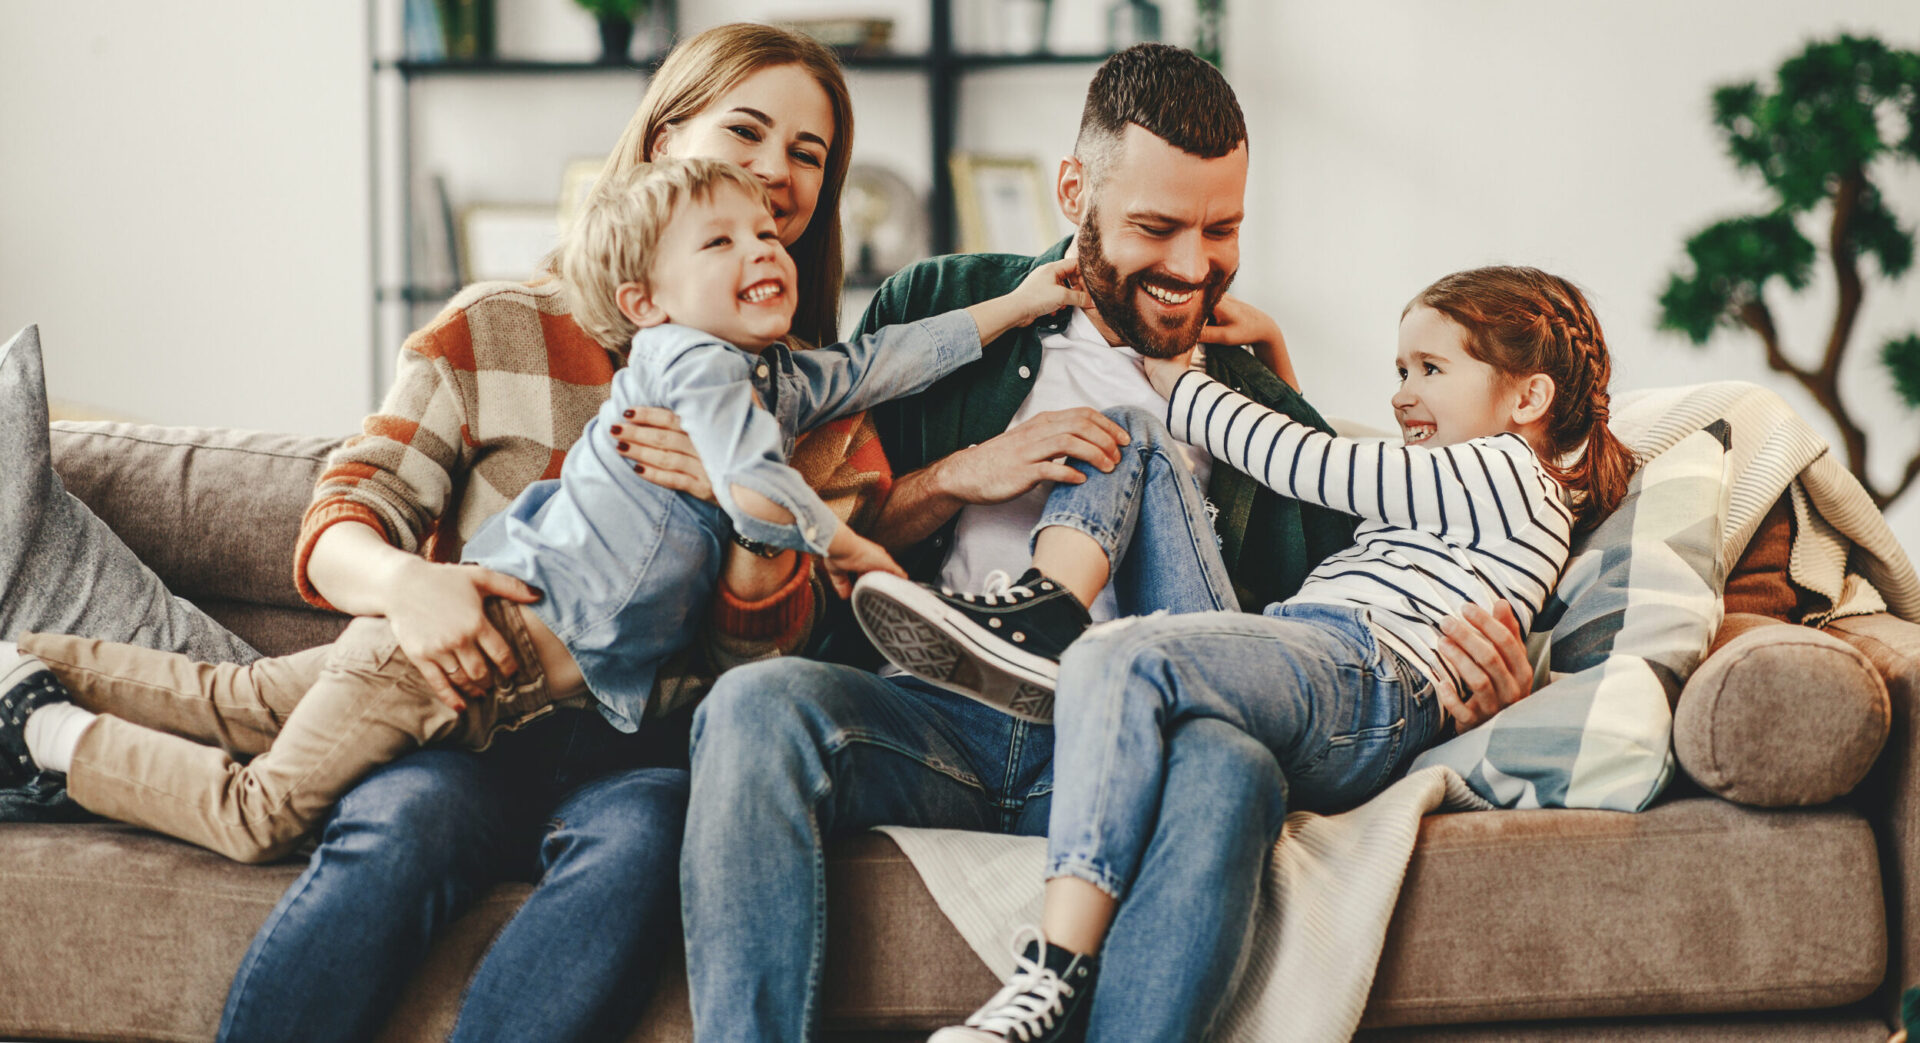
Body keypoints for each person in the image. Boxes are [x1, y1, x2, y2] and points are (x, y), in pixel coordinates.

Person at [0, 22, 877, 1042]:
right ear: (665, 140)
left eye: (807, 156)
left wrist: (747, 513)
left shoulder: (810, 403)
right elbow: (346, 514)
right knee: (400, 824)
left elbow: (757, 665)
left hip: (641, 743)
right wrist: (407, 585)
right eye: (748, 132)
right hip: (462, 712)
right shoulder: (499, 321)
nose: (775, 172)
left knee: (643, 842)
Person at [663, 43, 1543, 1043]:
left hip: (1144, 739)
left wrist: (1469, 682)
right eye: (1156, 227)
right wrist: (957, 475)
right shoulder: (942, 303)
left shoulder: (1251, 395)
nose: (1190, 267)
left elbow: (1336, 627)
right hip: (941, 716)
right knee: (757, 704)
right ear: (1074, 190)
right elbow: (828, 544)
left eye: (1222, 230)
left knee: (1234, 763)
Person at [0, 157, 1085, 863]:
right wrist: (857, 551)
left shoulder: (775, 379)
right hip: (450, 653)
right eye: (723, 241)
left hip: (489, 688)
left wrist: (1020, 304)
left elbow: (886, 358)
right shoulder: (690, 361)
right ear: (644, 304)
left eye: (771, 234)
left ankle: (23, 655)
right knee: (259, 814)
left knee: (229, 695)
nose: (765, 249)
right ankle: (47, 731)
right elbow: (756, 483)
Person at [854, 264, 1635, 1040]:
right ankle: (1044, 614)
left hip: (1366, 672)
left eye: (1431, 368)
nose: (1401, 392)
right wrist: (1272, 352)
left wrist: (1182, 377)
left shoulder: (1506, 471)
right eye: (1400, 369)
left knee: (1118, 655)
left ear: (1529, 397)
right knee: (1130, 434)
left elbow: (1316, 467)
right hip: (1310, 656)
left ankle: (1051, 973)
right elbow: (1334, 491)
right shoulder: (1459, 494)